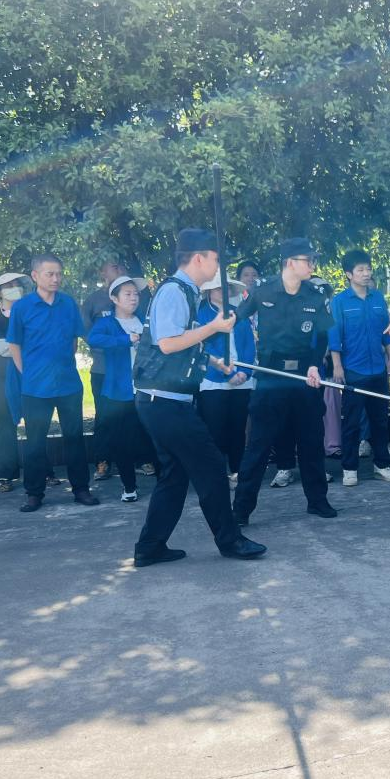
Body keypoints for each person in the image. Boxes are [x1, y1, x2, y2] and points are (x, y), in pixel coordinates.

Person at [132, 229, 265, 567]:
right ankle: (230, 540)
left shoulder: (185, 292)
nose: (218, 266)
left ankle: (149, 547)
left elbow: (185, 343)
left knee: (175, 475)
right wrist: (214, 328)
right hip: (163, 402)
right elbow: (167, 343)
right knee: (210, 466)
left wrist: (214, 361)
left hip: (165, 400)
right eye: (216, 259)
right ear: (198, 258)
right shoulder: (174, 292)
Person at [232, 238, 339, 523]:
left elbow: (322, 335)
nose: (312, 266)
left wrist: (315, 364)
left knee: (311, 441)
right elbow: (235, 320)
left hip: (304, 375)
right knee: (258, 445)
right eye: (308, 260)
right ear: (290, 262)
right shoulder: (262, 290)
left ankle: (317, 500)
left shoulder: (316, 294)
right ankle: (240, 510)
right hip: (271, 377)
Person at [6, 254, 98, 512]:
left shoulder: (68, 303)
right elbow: (14, 344)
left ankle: (81, 489)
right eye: (50, 274)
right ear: (35, 276)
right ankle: (34, 493)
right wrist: (27, 373)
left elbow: (74, 339)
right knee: (35, 442)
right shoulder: (22, 307)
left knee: (75, 439)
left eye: (59, 273)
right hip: (35, 387)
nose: (56, 278)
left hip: (68, 384)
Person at [329, 249, 390, 487]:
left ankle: (382, 464)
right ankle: (350, 468)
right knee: (351, 422)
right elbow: (334, 336)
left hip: (378, 369)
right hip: (353, 369)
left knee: (380, 420)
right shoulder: (340, 302)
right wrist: (337, 366)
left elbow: (386, 333)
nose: (365, 273)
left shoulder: (378, 298)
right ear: (349, 274)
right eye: (360, 270)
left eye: (368, 269)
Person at [85, 275, 154, 501]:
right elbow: (94, 339)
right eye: (128, 294)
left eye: (136, 294)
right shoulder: (107, 323)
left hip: (146, 388)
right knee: (123, 440)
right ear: (114, 299)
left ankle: (165, 482)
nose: (134, 298)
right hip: (119, 391)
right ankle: (129, 487)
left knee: (151, 433)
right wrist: (125, 340)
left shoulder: (143, 320)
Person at [196, 274, 256, 486]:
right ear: (209, 291)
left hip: (242, 380)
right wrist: (228, 374)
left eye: (226, 288)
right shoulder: (202, 314)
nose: (223, 291)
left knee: (238, 429)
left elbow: (249, 344)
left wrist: (244, 372)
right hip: (213, 381)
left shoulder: (238, 314)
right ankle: (217, 474)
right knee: (215, 430)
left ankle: (238, 472)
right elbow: (205, 347)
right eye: (218, 288)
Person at [82, 258, 127, 481]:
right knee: (105, 416)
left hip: (128, 371)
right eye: (115, 266)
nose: (120, 269)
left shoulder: (135, 297)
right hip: (103, 369)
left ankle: (140, 459)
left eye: (122, 266)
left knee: (132, 416)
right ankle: (103, 461)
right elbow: (86, 332)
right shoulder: (94, 300)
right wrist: (108, 345)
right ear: (103, 272)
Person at [0, 273, 29, 491]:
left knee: (36, 423)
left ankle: (43, 471)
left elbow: (36, 343)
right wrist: (24, 347)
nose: (14, 288)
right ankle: (6, 474)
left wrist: (18, 347)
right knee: (5, 424)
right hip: (3, 377)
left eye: (17, 285)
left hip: (31, 376)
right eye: (9, 286)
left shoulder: (30, 313)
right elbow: (1, 349)